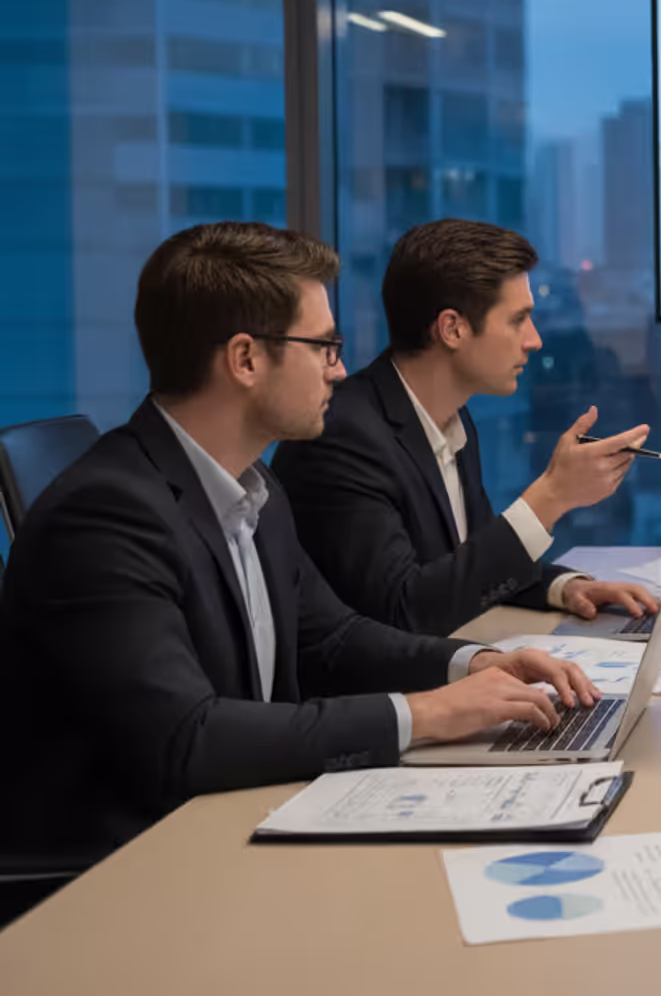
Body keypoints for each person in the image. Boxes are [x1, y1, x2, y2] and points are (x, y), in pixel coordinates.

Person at [0, 223, 600, 873]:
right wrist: (424, 714)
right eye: (323, 347)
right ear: (246, 360)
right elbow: (186, 739)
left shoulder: (252, 488)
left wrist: (472, 665)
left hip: (226, 823)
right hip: (115, 876)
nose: (340, 370)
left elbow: (333, 638)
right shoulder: (107, 514)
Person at [274, 220, 657, 636]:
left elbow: (469, 569)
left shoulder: (453, 418)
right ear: (452, 328)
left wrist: (565, 588)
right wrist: (551, 496)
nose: (535, 340)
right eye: (518, 320)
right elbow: (404, 611)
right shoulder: (343, 436)